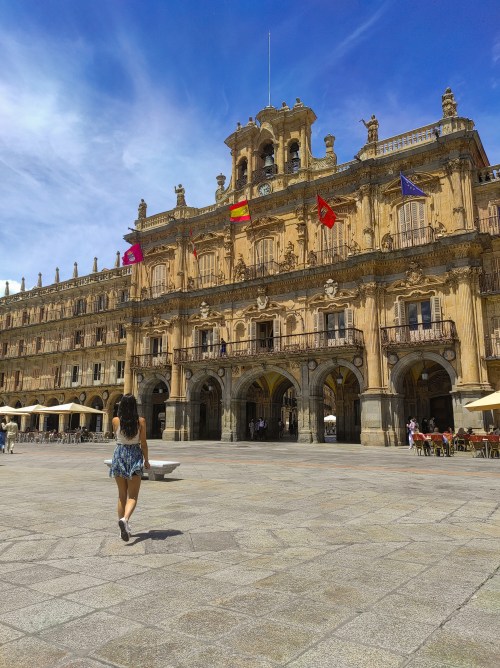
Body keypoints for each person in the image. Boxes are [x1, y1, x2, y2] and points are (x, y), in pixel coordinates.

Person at [109, 394, 150, 542]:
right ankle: (125, 520)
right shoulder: (141, 422)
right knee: (132, 496)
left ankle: (122, 529)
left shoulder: (115, 420)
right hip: (134, 454)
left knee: (121, 494)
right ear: (134, 406)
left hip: (119, 454)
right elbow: (143, 443)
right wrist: (147, 460)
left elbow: (116, 435)